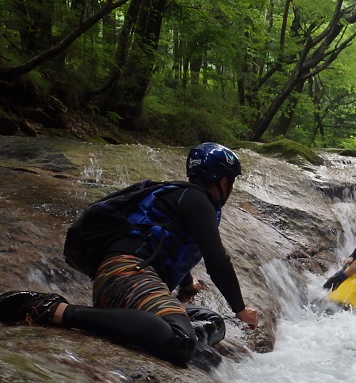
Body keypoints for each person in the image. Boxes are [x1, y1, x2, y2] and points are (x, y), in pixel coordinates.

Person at [0, 142, 259, 368]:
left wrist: (187, 284)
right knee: (181, 342)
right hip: (127, 275)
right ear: (223, 181)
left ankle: (138, 325)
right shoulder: (197, 199)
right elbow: (217, 260)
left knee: (212, 321)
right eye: (231, 181)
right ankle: (54, 309)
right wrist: (240, 309)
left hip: (130, 278)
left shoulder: (184, 198)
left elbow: (170, 246)